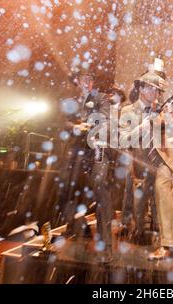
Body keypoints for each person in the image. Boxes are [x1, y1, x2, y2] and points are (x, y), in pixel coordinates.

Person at [119, 71, 173, 260]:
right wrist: (144, 126)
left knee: (162, 191)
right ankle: (139, 232)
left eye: (158, 90)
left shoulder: (162, 111)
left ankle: (170, 245)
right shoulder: (127, 111)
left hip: (162, 161)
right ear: (140, 88)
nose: (156, 93)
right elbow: (123, 140)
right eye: (151, 88)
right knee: (139, 204)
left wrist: (170, 118)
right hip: (141, 163)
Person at [60, 67, 114, 263]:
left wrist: (88, 125)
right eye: (83, 78)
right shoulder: (72, 102)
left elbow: (104, 118)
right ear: (77, 81)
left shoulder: (101, 98)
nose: (86, 82)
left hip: (97, 148)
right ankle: (78, 228)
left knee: (100, 189)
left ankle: (106, 246)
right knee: (68, 186)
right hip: (78, 150)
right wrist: (75, 127)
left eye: (90, 79)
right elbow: (65, 123)